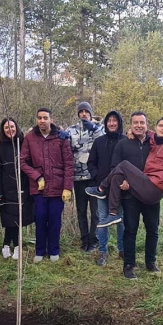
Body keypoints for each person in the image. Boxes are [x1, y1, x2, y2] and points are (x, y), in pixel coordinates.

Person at [87, 114, 163, 280]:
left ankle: (150, 262)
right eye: (135, 123)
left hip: (151, 191)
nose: (139, 125)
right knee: (130, 230)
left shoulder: (152, 141)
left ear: (147, 125)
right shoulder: (123, 143)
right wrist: (124, 181)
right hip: (130, 194)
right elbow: (114, 167)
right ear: (130, 125)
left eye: (142, 123)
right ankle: (129, 265)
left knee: (152, 229)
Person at [20, 108, 74, 262]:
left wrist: (67, 187)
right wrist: (36, 177)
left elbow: (69, 164)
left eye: (45, 118)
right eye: (39, 118)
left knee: (55, 220)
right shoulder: (30, 138)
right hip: (39, 189)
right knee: (40, 218)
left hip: (58, 188)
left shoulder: (61, 137)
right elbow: (23, 161)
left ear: (51, 119)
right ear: (36, 120)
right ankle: (40, 251)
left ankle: (54, 250)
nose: (42, 121)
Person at [86, 110, 126, 267]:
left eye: (115, 120)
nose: (112, 123)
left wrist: (125, 181)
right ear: (106, 123)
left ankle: (122, 250)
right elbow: (91, 163)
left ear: (119, 123)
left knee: (121, 220)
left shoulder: (125, 141)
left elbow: (131, 164)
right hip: (101, 189)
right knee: (102, 220)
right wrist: (98, 178)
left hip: (121, 189)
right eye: (109, 120)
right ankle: (103, 251)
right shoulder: (99, 142)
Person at [0, 118, 34, 260]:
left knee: (17, 218)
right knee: (10, 219)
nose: (10, 130)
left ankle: (9, 245)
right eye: (6, 127)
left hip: (23, 186)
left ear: (16, 126)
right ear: (2, 130)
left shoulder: (23, 142)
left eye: (12, 126)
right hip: (6, 188)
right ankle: (14, 245)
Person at [68, 102, 104, 253]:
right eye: (81, 112)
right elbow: (67, 148)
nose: (83, 114)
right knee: (81, 210)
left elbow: (103, 142)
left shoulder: (99, 128)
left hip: (93, 177)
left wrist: (94, 129)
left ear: (90, 113)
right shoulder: (72, 130)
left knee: (95, 211)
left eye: (86, 111)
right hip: (78, 177)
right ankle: (84, 241)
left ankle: (94, 240)